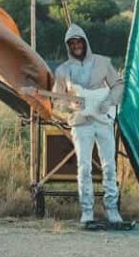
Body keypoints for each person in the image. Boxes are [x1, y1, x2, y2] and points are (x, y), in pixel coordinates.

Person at [53, 23, 125, 228]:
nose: (76, 46)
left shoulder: (103, 62)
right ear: (68, 46)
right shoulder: (62, 71)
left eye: (79, 42)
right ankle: (87, 211)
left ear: (85, 42)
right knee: (84, 167)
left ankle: (112, 209)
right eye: (72, 43)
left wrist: (109, 102)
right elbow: (57, 101)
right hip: (80, 123)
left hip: (103, 120)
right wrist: (70, 105)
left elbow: (118, 84)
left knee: (109, 165)